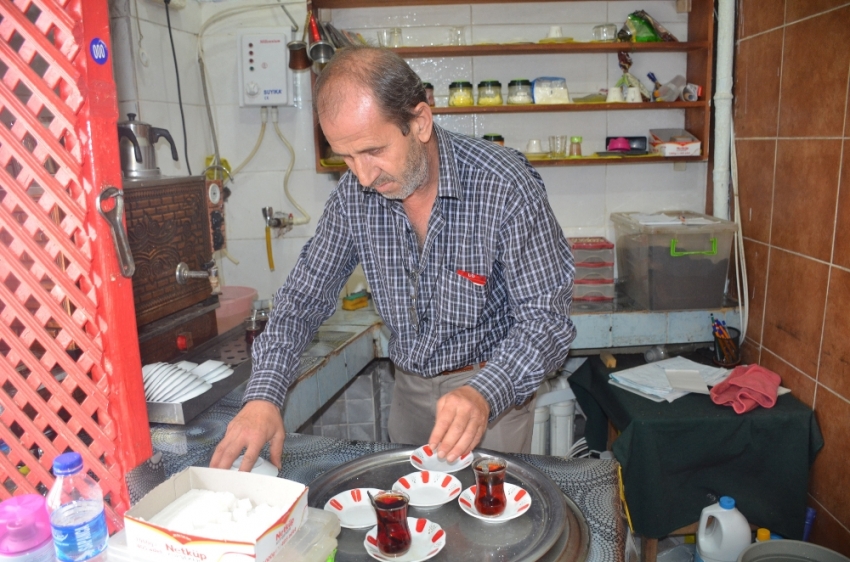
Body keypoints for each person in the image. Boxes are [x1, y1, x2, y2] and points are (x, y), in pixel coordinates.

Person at [210, 46, 576, 473]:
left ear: (419, 121)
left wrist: (485, 392)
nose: (363, 176)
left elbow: (547, 320)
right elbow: (302, 300)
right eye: (346, 157)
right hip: (410, 391)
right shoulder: (355, 195)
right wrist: (263, 396)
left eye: (372, 151)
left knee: (488, 524)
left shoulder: (502, 184)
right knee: (411, 525)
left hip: (490, 394)